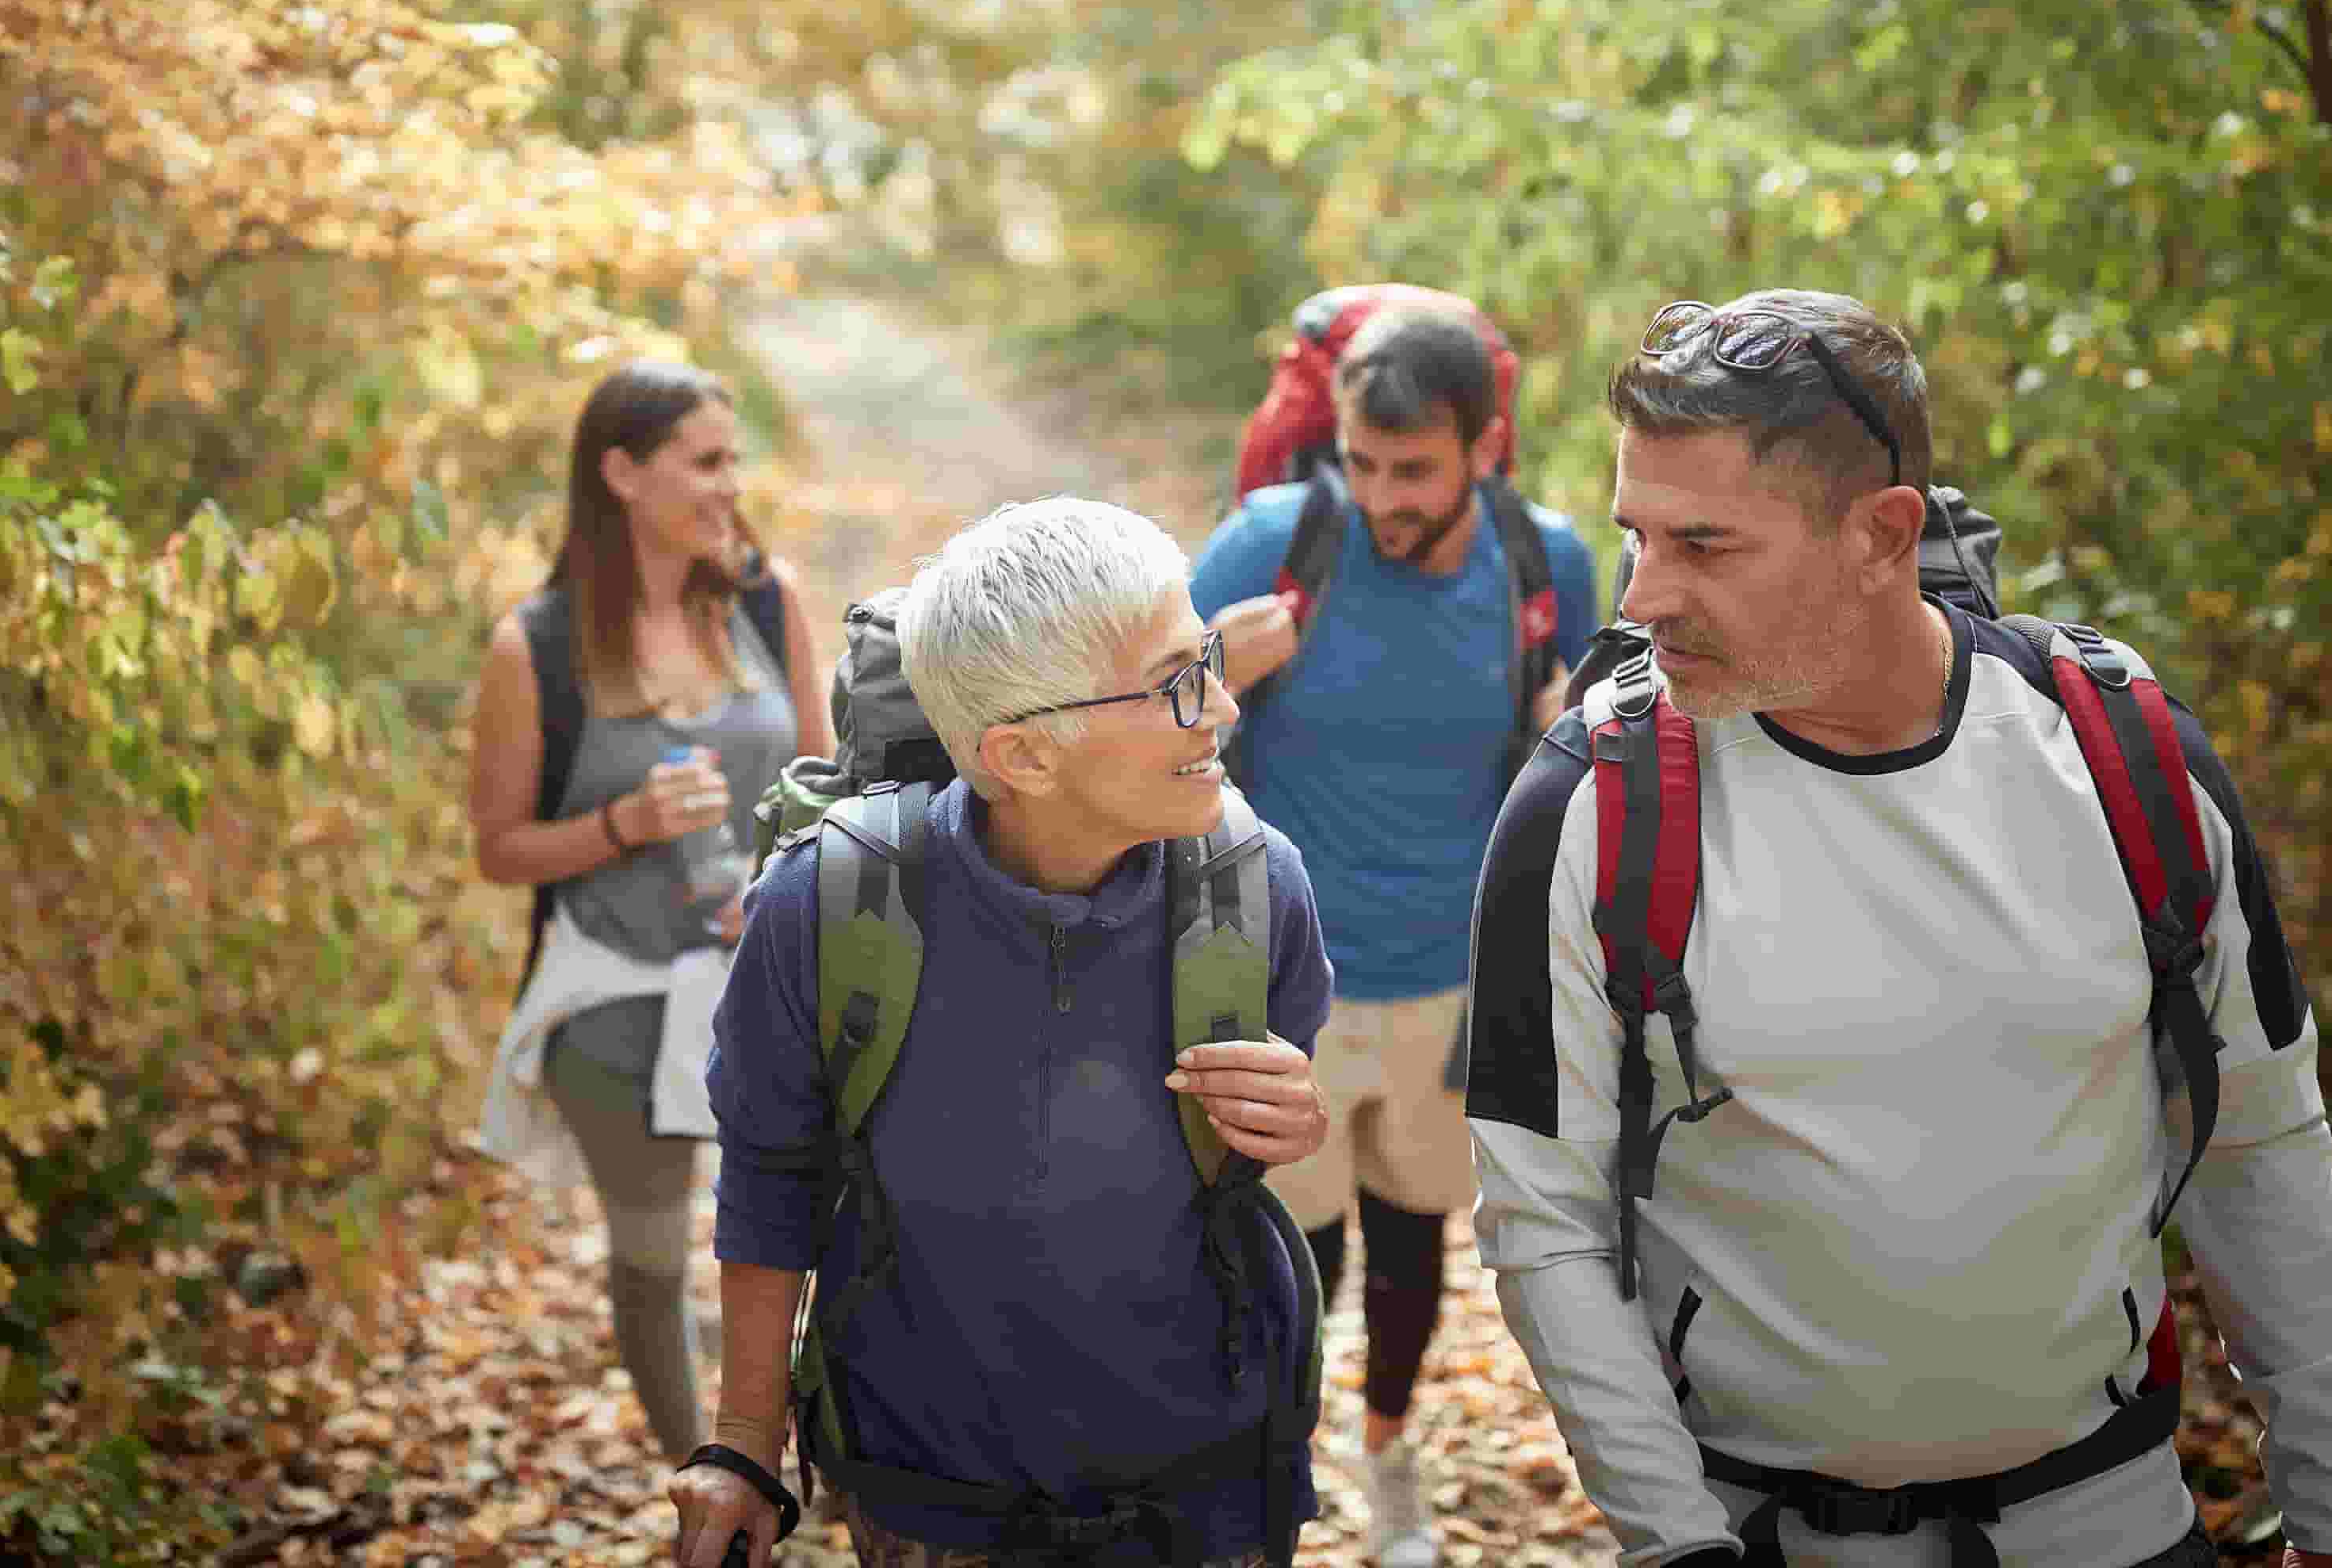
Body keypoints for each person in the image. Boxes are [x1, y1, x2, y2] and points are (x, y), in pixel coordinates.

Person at [1465, 289, 2332, 1568]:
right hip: (1759, 1540)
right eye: (1635, 534)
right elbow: (1543, 1222)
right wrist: (1676, 1547)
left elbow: (2259, 1134)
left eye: (1706, 545)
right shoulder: (1592, 806)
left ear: (1881, 532)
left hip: (2115, 1522)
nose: (1644, 597)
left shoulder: (2126, 765)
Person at [672, 497, 1337, 1568]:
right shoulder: (827, 911)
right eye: (1177, 681)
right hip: (929, 1497)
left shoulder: (1256, 892)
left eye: (1207, 661)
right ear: (1023, 756)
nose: (1222, 706)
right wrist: (745, 1442)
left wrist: (1292, 1120)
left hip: (1210, 1491)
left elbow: (1240, 1164)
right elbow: (770, 1171)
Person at [1189, 304, 1601, 1568]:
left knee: (1415, 1236)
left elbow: (1582, 758)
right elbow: (1131, 720)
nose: (1380, 499)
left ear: (1483, 446)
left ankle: (1385, 1452)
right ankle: (1283, 1469)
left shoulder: (1548, 565)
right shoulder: (1276, 541)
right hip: (1286, 982)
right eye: (1361, 465)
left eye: (1411, 471)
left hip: (1453, 981)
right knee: (1293, 1254)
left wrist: (1564, 725)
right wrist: (1213, 659)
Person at [468, 359, 832, 1459]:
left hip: (773, 983)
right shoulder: (532, 647)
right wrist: (624, 824)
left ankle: (814, 1455)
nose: (731, 486)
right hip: (615, 995)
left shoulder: (769, 602)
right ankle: (713, 1490)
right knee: (652, 1258)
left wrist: (774, 880)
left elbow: (826, 785)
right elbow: (499, 850)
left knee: (815, 1236)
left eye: (735, 460)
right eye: (705, 461)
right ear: (622, 473)